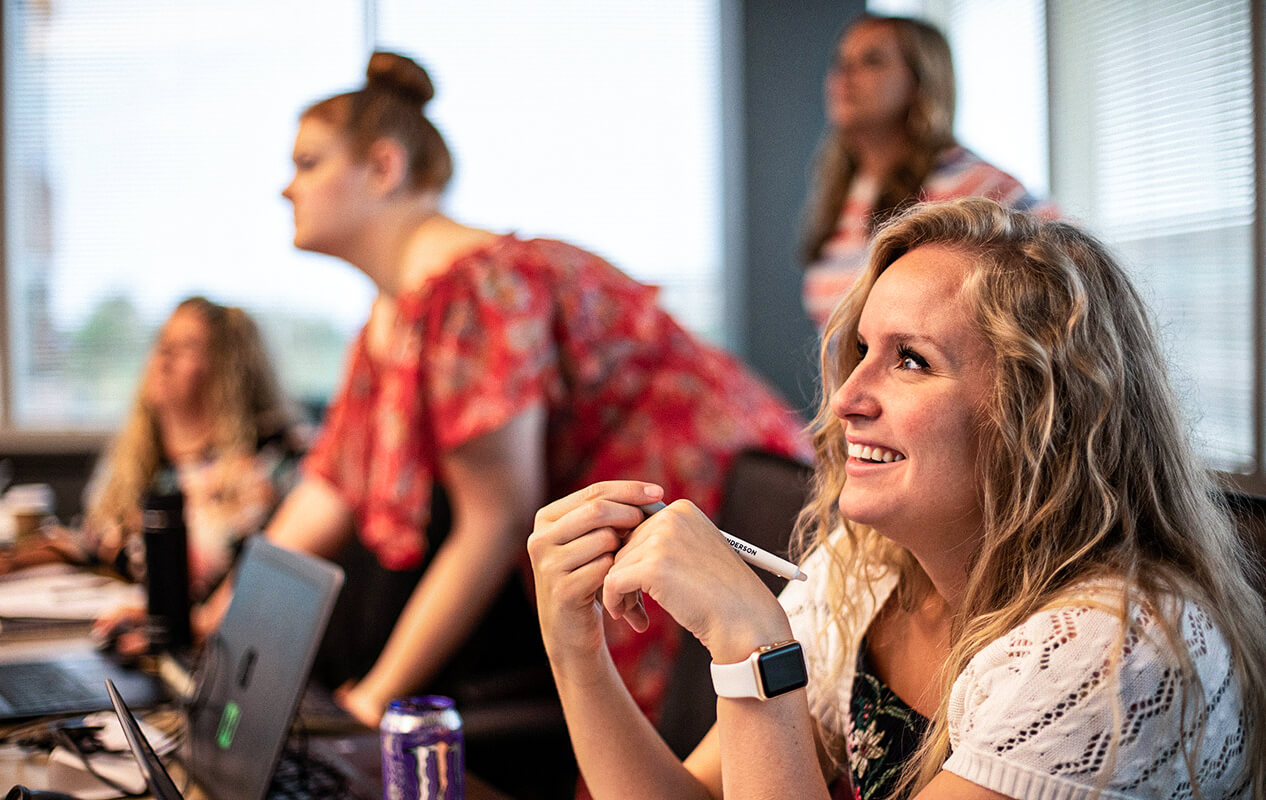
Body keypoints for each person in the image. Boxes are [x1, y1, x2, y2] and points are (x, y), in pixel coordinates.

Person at [529, 197, 1265, 799]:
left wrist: (755, 648)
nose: (846, 397)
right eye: (859, 353)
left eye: (911, 360)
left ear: (1036, 416)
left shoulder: (1112, 650)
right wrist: (574, 645)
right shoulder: (867, 567)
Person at [222, 49, 808, 753]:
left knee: (647, 757)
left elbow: (494, 519)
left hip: (685, 490)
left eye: (308, 163)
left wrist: (377, 698)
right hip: (616, 508)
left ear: (383, 167)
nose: (287, 189)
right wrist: (225, 619)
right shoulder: (397, 313)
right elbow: (332, 481)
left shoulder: (473, 291)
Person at [1, 297, 305, 646]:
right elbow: (93, 540)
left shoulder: (266, 464)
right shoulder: (151, 464)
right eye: (161, 342)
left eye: (186, 346)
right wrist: (14, 559)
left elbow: (228, 577)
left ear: (229, 367)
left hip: (215, 648)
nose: (164, 356)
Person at [801, 14, 1054, 331]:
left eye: (872, 61)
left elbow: (1070, 270)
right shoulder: (843, 194)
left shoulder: (972, 184)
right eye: (840, 62)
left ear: (920, 81)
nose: (845, 76)